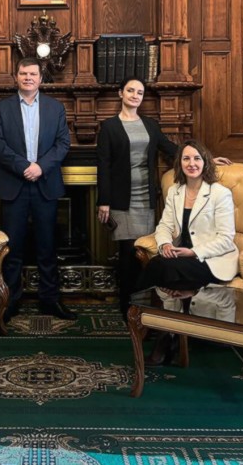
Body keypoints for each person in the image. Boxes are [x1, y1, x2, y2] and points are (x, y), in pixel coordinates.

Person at [137, 140, 239, 365]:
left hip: (210, 259)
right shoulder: (175, 192)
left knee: (161, 267)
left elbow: (226, 239)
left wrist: (192, 252)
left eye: (196, 158)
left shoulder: (220, 193)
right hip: (178, 259)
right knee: (166, 266)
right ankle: (172, 334)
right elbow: (164, 226)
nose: (191, 163)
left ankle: (164, 336)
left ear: (205, 162)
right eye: (186, 159)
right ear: (180, 163)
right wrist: (165, 244)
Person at [0, 57, 73, 321]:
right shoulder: (1, 108)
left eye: (33, 74)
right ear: (16, 77)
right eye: (23, 73)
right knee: (12, 248)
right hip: (13, 184)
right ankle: (10, 301)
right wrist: (25, 166)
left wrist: (40, 167)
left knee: (47, 247)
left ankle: (50, 300)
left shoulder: (55, 108)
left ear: (41, 78)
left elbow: (63, 143)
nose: (28, 78)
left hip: (45, 184)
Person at [96, 77, 178, 316]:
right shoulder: (109, 126)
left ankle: (144, 304)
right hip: (121, 200)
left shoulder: (151, 125)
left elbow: (170, 149)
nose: (135, 95)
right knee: (128, 254)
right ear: (120, 93)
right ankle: (127, 307)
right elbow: (103, 166)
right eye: (130, 90)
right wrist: (104, 201)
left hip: (146, 198)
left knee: (144, 252)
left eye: (139, 92)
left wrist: (204, 158)